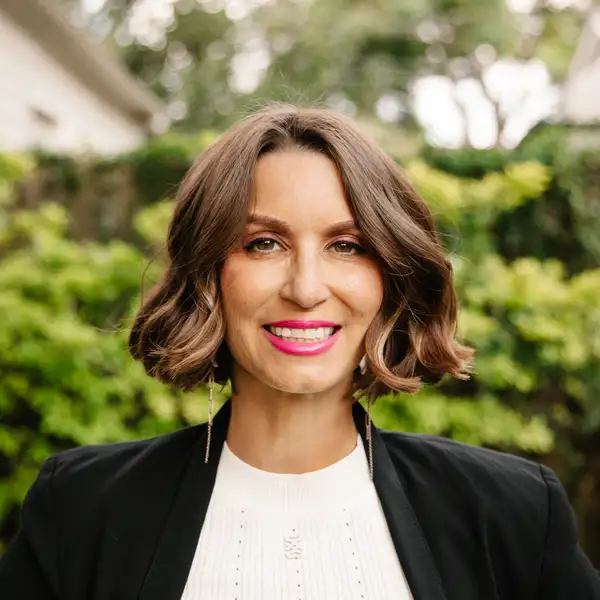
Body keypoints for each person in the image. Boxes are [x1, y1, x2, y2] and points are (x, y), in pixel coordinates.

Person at [1, 104, 599, 600]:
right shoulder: (81, 509)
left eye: (347, 246)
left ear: (391, 276)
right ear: (207, 273)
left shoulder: (512, 513)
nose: (306, 288)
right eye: (264, 243)